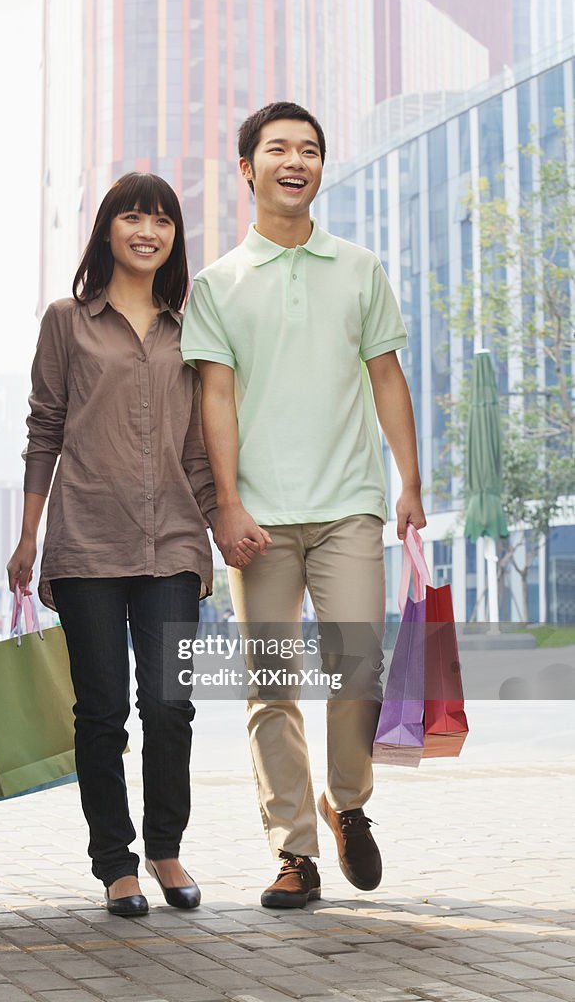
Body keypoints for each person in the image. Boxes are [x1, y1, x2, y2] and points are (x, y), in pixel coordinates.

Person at [181, 101, 427, 909]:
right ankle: (294, 852)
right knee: (270, 685)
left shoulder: (358, 268)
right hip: (257, 516)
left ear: (321, 169)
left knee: (357, 668)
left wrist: (409, 485)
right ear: (246, 169)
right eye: (279, 149)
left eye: (312, 150)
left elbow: (387, 379)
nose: (297, 160)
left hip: (349, 504)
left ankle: (347, 803)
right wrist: (225, 504)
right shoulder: (217, 284)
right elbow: (214, 397)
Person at [7, 173, 218, 917]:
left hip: (174, 546)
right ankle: (115, 864)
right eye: (132, 216)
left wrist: (218, 532)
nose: (147, 230)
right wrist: (28, 534)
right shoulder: (67, 321)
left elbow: (199, 448)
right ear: (107, 230)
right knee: (100, 714)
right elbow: (44, 430)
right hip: (88, 541)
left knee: (169, 705)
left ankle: (165, 848)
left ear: (173, 238)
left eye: (161, 220)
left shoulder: (191, 327)